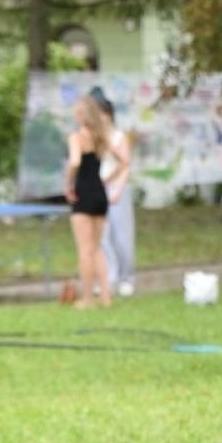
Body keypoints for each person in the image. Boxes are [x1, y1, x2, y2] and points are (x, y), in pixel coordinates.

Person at [64, 96, 124, 308]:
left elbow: (74, 161)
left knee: (84, 249)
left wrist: (68, 183)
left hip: (83, 194)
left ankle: (88, 298)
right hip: (100, 194)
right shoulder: (101, 138)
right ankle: (106, 297)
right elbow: (123, 161)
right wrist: (109, 179)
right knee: (97, 248)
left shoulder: (76, 137)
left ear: (81, 115)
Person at [92, 89, 137, 297]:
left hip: (116, 189)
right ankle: (108, 276)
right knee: (102, 236)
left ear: (107, 115)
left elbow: (124, 164)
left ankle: (126, 277)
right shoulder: (94, 138)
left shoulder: (119, 137)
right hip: (99, 188)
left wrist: (116, 187)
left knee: (122, 236)